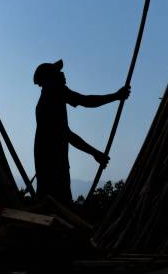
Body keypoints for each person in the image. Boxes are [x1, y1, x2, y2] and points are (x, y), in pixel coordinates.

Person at [32, 59, 129, 205]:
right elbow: (68, 134)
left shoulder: (57, 93)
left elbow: (86, 101)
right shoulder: (49, 102)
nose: (62, 74)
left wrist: (116, 96)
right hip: (50, 162)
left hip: (55, 160)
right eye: (57, 73)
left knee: (57, 201)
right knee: (55, 203)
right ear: (47, 81)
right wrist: (95, 153)